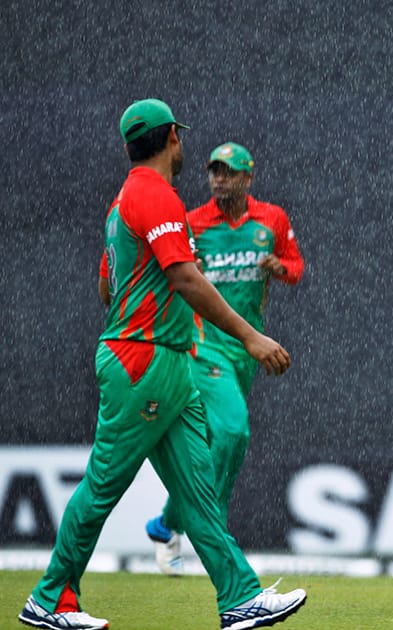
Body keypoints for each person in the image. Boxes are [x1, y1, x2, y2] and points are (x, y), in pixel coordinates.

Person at [19, 99, 307, 630]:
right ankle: (49, 598)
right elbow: (186, 279)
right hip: (142, 361)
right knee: (104, 484)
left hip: (167, 360)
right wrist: (250, 337)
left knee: (198, 492)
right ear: (173, 137)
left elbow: (107, 283)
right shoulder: (156, 196)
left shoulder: (125, 200)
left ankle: (239, 597)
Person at [139, 141, 305, 575]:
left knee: (216, 442)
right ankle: (208, 526)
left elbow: (296, 266)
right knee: (232, 431)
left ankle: (168, 521)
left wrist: (278, 267)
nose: (218, 179)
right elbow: (177, 277)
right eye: (214, 170)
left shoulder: (271, 219)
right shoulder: (192, 222)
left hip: (245, 347)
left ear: (247, 178)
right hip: (204, 343)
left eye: (228, 172)